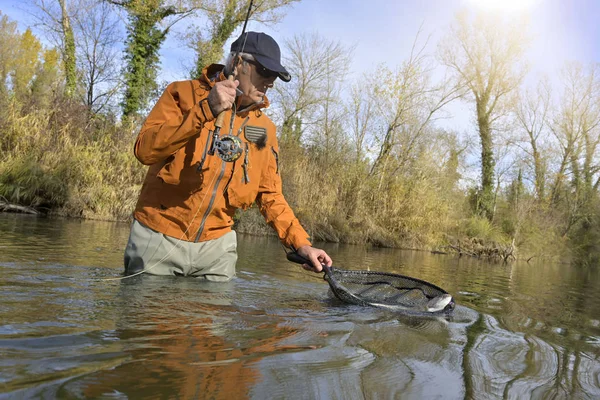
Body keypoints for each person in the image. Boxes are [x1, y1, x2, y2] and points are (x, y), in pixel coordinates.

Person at [124, 31, 332, 281]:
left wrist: (301, 244)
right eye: (265, 72)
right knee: (149, 321)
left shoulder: (263, 130)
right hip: (158, 236)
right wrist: (206, 109)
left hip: (217, 250)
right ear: (237, 64)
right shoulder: (182, 94)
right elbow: (145, 151)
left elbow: (270, 194)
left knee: (214, 318)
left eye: (275, 76)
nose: (270, 82)